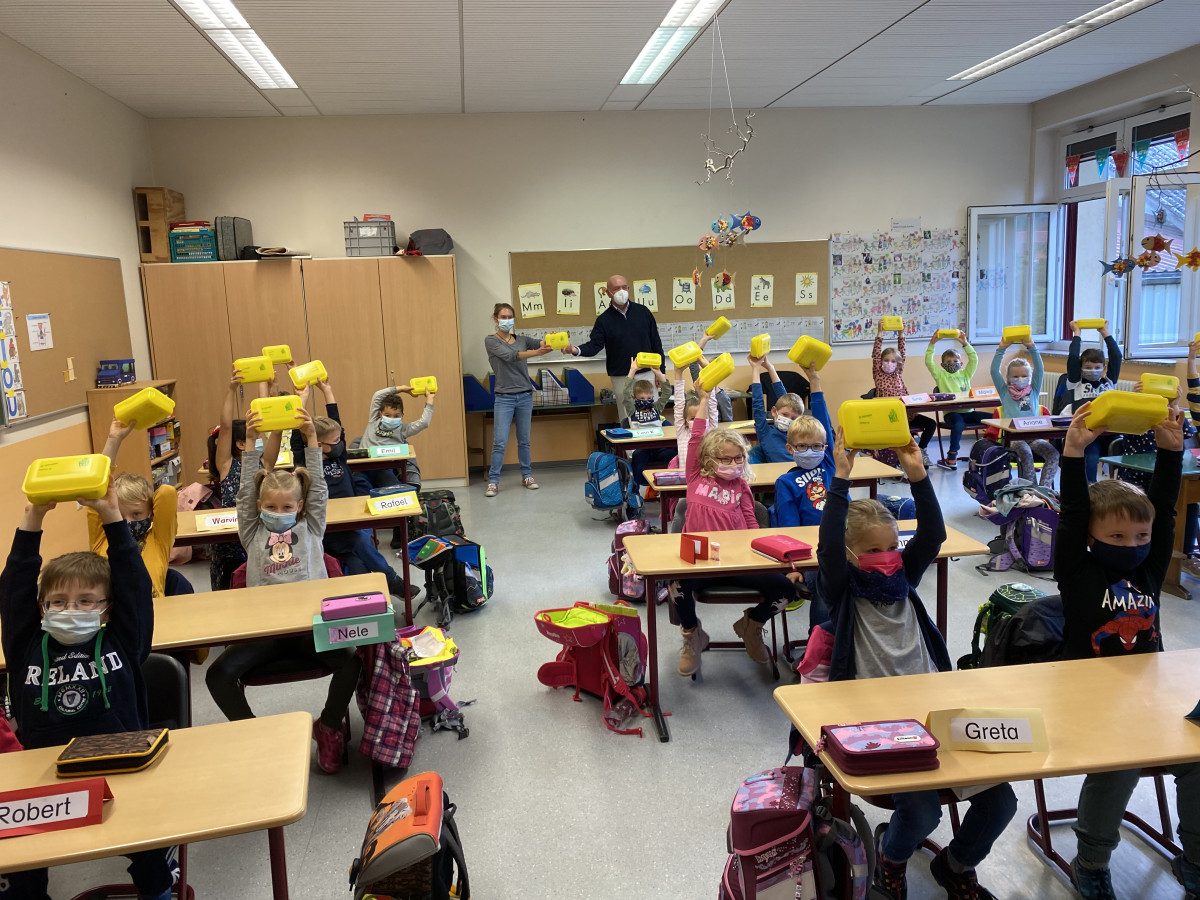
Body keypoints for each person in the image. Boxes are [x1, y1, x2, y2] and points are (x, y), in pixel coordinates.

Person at [817, 427, 1016, 900]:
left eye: (891, 547)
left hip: (933, 709)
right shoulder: (842, 589)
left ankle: (957, 864)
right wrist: (841, 479)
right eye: (872, 551)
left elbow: (933, 534)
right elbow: (827, 548)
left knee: (1001, 800)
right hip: (880, 722)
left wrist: (918, 476)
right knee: (924, 811)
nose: (886, 558)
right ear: (848, 556)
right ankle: (893, 858)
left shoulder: (904, 576)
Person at [1055, 398, 1200, 900]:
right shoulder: (1077, 570)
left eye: (1139, 535)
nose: (1133, 542)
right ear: (1092, 539)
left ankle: (1197, 857)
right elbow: (1073, 512)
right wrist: (1074, 455)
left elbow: (1161, 511)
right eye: (1116, 534)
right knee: (1122, 762)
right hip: (1089, 699)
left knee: (1199, 757)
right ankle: (1091, 860)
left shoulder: (1148, 570)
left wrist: (1170, 453)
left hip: (1149, 697)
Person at [0, 482, 175, 900]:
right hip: (43, 773)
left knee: (149, 847)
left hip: (121, 764)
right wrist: (33, 517)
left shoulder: (123, 641)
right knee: (19, 859)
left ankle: (158, 892)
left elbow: (133, 582)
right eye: (57, 602)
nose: (70, 610)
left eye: (85, 601)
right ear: (42, 607)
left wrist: (114, 517)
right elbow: (13, 591)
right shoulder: (26, 647)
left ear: (108, 607)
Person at [205, 407, 361, 774]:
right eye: (270, 507)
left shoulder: (312, 528)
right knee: (217, 675)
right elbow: (244, 493)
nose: (278, 511)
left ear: (301, 507)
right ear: (259, 509)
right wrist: (251, 448)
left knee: (352, 661)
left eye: (287, 507)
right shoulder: (252, 532)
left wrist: (310, 439)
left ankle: (328, 726)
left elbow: (319, 488)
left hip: (311, 631)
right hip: (267, 634)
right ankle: (259, 735)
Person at [675, 393, 799, 676]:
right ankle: (692, 634)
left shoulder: (741, 486)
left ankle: (752, 625)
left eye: (738, 458)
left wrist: (760, 555)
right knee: (675, 584)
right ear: (708, 458)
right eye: (725, 459)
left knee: (786, 591)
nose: (732, 464)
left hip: (737, 560)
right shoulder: (696, 476)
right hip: (702, 560)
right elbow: (696, 435)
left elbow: (751, 523)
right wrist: (705, 398)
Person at [269, 378, 413, 601]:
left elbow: (335, 422)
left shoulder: (340, 457)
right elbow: (299, 435)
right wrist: (302, 398)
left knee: (359, 563)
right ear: (318, 445)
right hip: (329, 531)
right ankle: (393, 581)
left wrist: (327, 390)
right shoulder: (308, 464)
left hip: (352, 524)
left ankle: (379, 595)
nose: (340, 443)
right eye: (334, 441)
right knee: (361, 545)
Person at [87, 418, 179, 597]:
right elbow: (97, 486)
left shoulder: (159, 541)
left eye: (136, 514)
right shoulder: (101, 538)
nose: (127, 522)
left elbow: (167, 493)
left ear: (151, 514)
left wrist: (150, 502)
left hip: (153, 617)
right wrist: (113, 440)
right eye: (119, 515)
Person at [563, 274, 665, 420]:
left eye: (624, 287)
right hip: (621, 376)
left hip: (647, 373)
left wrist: (661, 372)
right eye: (616, 288)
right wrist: (575, 350)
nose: (621, 291)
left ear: (629, 288)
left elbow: (656, 342)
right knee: (627, 417)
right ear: (608, 292)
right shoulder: (604, 320)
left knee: (651, 417)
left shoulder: (643, 312)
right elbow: (594, 346)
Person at [484, 302, 553, 498]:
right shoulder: (491, 341)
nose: (507, 320)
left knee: (524, 440)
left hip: (524, 395)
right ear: (496, 320)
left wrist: (553, 339)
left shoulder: (522, 340)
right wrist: (537, 353)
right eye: (503, 317)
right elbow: (511, 356)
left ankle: (527, 476)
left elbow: (541, 343)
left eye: (510, 317)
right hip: (504, 397)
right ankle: (493, 481)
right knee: (500, 441)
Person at [361, 383, 435, 547]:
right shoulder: (373, 421)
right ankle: (366, 537)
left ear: (402, 415)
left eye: (396, 416)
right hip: (362, 469)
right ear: (380, 414)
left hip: (383, 470)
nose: (392, 418)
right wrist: (399, 389)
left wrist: (429, 401)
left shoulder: (402, 430)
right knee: (360, 498)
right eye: (387, 414)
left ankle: (398, 532)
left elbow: (423, 423)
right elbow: (377, 395)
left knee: (400, 496)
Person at [990, 336, 1059, 486]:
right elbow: (994, 370)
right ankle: (1031, 489)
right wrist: (1001, 349)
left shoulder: (1033, 390)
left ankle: (1044, 489)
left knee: (1053, 453)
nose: (1020, 379)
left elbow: (1040, 369)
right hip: (1014, 439)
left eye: (1024, 376)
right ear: (1008, 378)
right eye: (1015, 376)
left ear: (1029, 377)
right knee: (1026, 453)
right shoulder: (1004, 392)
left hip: (1034, 438)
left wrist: (1032, 347)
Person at [1061, 319, 1122, 483]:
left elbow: (1116, 356)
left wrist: (1105, 333)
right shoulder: (1076, 382)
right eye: (1088, 367)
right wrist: (1077, 334)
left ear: (1103, 368)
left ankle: (1121, 487)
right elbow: (1073, 357)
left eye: (1097, 368)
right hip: (1089, 432)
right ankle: (1090, 489)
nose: (1093, 371)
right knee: (1091, 458)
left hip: (1110, 432)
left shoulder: (1108, 382)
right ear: (1081, 368)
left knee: (1125, 452)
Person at [207, 367, 250, 590]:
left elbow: (274, 429)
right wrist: (231, 390)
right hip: (231, 546)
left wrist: (269, 387)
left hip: (255, 537)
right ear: (240, 444)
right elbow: (225, 427)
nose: (257, 440)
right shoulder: (228, 465)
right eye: (253, 438)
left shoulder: (260, 464)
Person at [873, 322, 934, 466]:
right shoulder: (878, 374)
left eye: (893, 361)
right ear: (880, 362)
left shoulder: (898, 372)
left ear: (898, 363)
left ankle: (921, 451)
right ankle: (900, 458)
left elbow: (903, 352)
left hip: (908, 414)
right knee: (901, 433)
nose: (889, 363)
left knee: (931, 424)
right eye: (886, 360)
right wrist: (880, 332)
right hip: (891, 417)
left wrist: (901, 333)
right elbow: (876, 354)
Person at [925, 329, 983, 470]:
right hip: (952, 414)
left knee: (994, 418)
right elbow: (928, 362)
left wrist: (965, 343)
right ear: (943, 365)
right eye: (949, 362)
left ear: (961, 363)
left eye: (955, 361)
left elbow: (974, 359)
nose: (952, 363)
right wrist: (932, 343)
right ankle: (952, 456)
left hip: (969, 412)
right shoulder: (941, 376)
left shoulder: (966, 374)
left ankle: (989, 451)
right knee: (958, 425)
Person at [747, 354, 806, 464]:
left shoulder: (795, 433)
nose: (788, 420)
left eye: (794, 418)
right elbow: (758, 403)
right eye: (785, 415)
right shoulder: (765, 431)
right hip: (776, 474)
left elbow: (785, 399)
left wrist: (770, 367)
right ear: (774, 411)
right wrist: (756, 368)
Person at [623, 360, 673, 486]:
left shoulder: (656, 407)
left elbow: (667, 392)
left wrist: (659, 373)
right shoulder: (631, 409)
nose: (646, 401)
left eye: (649, 398)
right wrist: (632, 371)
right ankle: (635, 492)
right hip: (642, 448)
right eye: (642, 399)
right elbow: (625, 393)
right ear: (634, 398)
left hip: (659, 447)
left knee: (676, 455)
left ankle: (667, 487)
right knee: (637, 465)